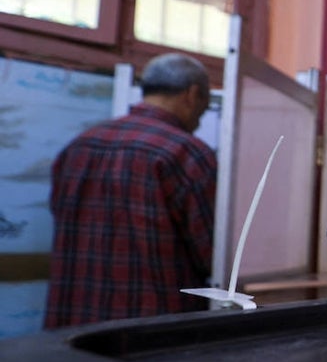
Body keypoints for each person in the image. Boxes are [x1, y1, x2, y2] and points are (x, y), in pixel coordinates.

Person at [44, 52, 217, 328]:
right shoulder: (187, 154)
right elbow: (213, 255)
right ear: (192, 94)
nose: (199, 121)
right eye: (204, 108)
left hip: (73, 325)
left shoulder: (77, 147)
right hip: (151, 333)